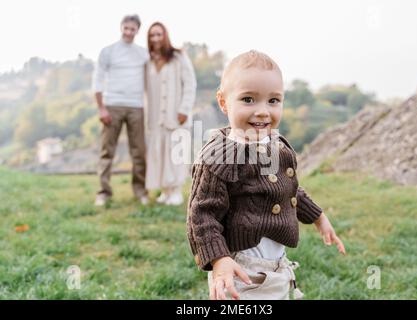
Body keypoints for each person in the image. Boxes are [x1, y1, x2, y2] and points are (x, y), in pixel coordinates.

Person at [187, 50, 346, 300]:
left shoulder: (275, 145)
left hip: (277, 267)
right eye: (248, 99)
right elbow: (202, 215)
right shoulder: (218, 156)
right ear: (223, 102)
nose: (263, 111)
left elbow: (287, 189)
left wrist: (318, 216)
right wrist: (219, 259)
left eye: (273, 101)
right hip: (240, 271)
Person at [92, 15, 149, 206]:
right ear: (121, 28)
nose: (128, 32)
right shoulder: (108, 51)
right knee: (107, 151)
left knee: (139, 151)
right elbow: (98, 80)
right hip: (112, 105)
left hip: (136, 106)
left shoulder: (142, 53)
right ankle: (104, 192)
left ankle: (140, 191)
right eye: (126, 28)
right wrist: (101, 108)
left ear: (137, 31)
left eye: (132, 29)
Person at [144, 22, 196, 205]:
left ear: (165, 35)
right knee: (160, 154)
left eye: (159, 34)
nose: (156, 38)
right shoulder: (148, 61)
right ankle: (165, 191)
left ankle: (176, 191)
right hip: (156, 116)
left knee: (176, 155)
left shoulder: (178, 57)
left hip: (177, 114)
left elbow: (190, 84)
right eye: (152, 35)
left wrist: (184, 109)